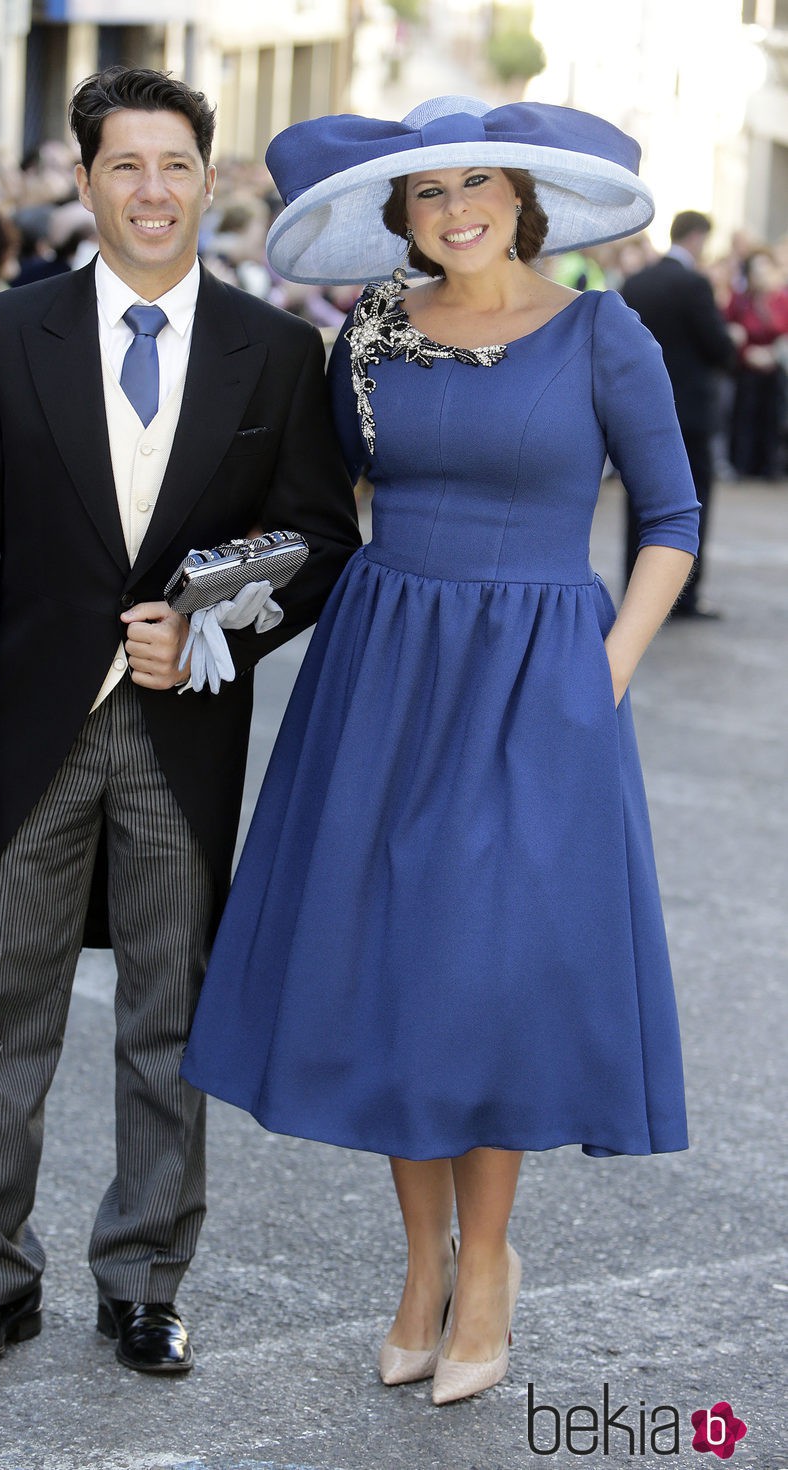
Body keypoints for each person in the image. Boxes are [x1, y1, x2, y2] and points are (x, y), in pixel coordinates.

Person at [181, 95, 700, 1406]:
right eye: (426, 193)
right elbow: (317, 494)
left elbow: (673, 516)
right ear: (398, 214)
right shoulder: (373, 332)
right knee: (391, 965)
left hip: (540, 683)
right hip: (385, 673)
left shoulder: (602, 329)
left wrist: (607, 667)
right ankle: (422, 1265)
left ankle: (493, 1263)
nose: (454, 209)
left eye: (475, 184)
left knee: (488, 972)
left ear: (522, 196)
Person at [0, 65, 359, 1374]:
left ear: (207, 184)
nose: (152, 191)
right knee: (4, 1013)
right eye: (126, 166)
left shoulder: (277, 350)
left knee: (172, 1015)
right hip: (23, 731)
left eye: (176, 167)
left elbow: (322, 540)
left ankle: (147, 1279)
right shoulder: (7, 332)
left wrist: (213, 623)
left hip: (185, 732)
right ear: (88, 178)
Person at [620, 210, 737, 618]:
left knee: (640, 503)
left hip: (634, 411)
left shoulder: (636, 282)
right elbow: (719, 347)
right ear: (698, 237)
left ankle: (638, 595)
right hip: (689, 411)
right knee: (687, 505)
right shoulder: (693, 283)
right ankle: (682, 598)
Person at [724, 247, 788, 479]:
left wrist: (772, 353)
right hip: (747, 369)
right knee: (745, 419)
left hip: (775, 369)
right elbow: (730, 330)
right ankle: (744, 466)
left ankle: (770, 467)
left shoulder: (781, 299)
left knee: (773, 419)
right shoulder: (741, 301)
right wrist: (746, 351)